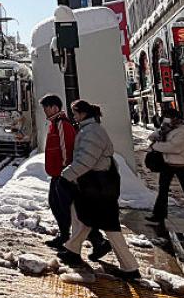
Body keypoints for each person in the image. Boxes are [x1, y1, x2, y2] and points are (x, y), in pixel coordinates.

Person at [57, 100, 140, 280]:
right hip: (96, 184)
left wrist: (67, 175)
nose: (74, 116)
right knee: (83, 216)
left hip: (98, 185)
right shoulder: (91, 129)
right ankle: (72, 249)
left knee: (108, 225)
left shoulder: (91, 132)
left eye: (75, 113)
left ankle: (130, 267)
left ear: (82, 113)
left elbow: (86, 159)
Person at [40, 94, 108, 254]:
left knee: (72, 210)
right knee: (58, 205)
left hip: (64, 175)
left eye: (46, 108)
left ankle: (97, 241)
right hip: (58, 174)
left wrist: (66, 171)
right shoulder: (54, 124)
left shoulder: (61, 124)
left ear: (54, 107)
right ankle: (65, 236)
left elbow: (66, 150)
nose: (44, 111)